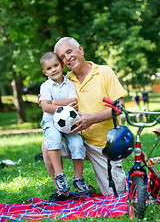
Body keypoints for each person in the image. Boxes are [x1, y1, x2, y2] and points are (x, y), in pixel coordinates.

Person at [42, 37, 126, 201]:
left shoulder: (104, 72)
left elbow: (119, 108)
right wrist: (43, 100)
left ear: (80, 49)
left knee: (116, 194)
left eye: (69, 51)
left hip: (103, 145)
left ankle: (87, 186)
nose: (67, 58)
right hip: (76, 138)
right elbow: (48, 93)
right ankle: (61, 189)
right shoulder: (66, 80)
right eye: (63, 57)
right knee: (48, 145)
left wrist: (92, 119)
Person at [39, 52, 89, 201]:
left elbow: (73, 101)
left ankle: (78, 179)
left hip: (69, 121)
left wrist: (51, 102)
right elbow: (45, 108)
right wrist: (62, 104)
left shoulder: (69, 84)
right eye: (49, 68)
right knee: (53, 138)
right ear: (44, 72)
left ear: (61, 65)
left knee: (77, 143)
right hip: (50, 121)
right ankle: (60, 176)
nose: (53, 70)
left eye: (55, 66)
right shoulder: (45, 86)